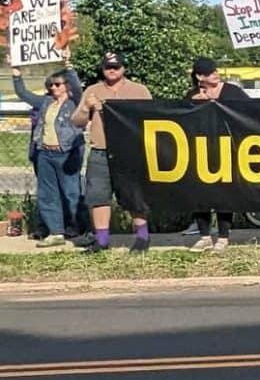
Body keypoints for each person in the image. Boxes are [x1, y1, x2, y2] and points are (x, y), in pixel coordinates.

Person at [70, 51, 153, 254]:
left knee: (135, 196)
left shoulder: (139, 91)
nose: (112, 70)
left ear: (124, 68)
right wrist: (86, 107)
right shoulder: (92, 90)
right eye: (108, 67)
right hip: (101, 151)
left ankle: (143, 237)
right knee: (98, 196)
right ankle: (102, 240)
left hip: (130, 151)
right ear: (103, 69)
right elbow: (77, 121)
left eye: (116, 67)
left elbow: (152, 118)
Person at [11, 52, 83, 246]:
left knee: (71, 192)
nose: (53, 88)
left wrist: (68, 64)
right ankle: (56, 232)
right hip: (45, 153)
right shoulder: (45, 102)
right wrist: (16, 73)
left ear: (66, 85)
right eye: (50, 85)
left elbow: (77, 87)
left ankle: (77, 228)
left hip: (67, 153)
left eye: (57, 84)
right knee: (48, 194)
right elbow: (23, 94)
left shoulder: (75, 102)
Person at [186, 57, 249, 251]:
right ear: (199, 77)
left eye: (215, 70)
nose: (215, 73)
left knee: (225, 194)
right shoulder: (191, 95)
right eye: (209, 71)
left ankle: (223, 237)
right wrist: (194, 106)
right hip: (200, 150)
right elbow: (183, 122)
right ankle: (204, 236)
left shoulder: (233, 91)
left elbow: (252, 112)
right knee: (199, 194)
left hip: (228, 148)